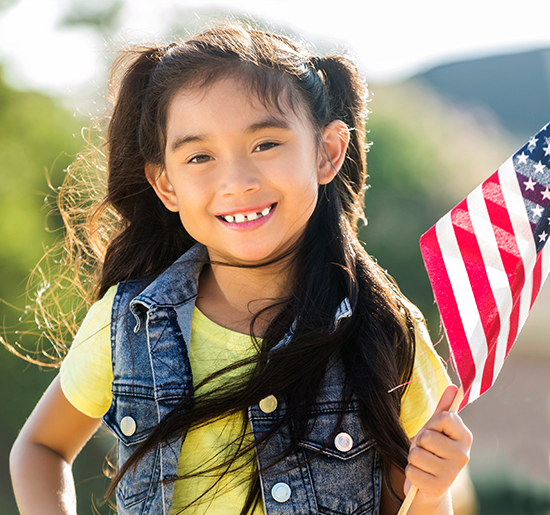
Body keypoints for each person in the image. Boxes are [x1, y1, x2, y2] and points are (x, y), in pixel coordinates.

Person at [9, 21, 472, 515]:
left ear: (327, 152)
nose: (236, 181)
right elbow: (39, 448)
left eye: (265, 144)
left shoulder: (385, 332)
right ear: (165, 185)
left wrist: (436, 487)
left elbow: (411, 503)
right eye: (200, 156)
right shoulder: (128, 323)